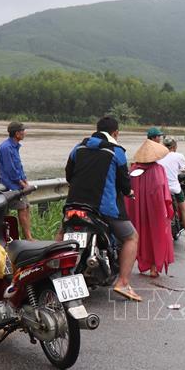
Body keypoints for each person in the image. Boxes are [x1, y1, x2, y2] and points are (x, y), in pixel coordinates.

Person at [65, 116, 142, 302]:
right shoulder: (117, 152)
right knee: (131, 237)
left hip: (74, 204)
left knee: (62, 234)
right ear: (115, 133)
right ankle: (123, 282)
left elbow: (69, 175)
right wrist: (129, 191)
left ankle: (51, 275)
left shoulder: (78, 148)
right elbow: (124, 183)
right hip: (103, 209)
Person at [125, 138, 174, 278]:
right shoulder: (158, 170)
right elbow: (163, 192)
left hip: (137, 211)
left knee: (139, 235)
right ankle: (153, 268)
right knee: (156, 237)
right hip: (155, 211)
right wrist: (166, 211)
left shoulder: (133, 170)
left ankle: (131, 265)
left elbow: (128, 191)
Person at [0, 122, 33, 240]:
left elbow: (18, 166)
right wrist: (22, 184)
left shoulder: (15, 146)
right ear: (17, 133)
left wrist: (25, 180)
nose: (24, 133)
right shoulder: (6, 147)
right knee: (22, 209)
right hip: (12, 185)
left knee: (26, 208)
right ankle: (27, 238)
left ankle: (27, 236)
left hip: (19, 184)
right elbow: (10, 169)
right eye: (22, 130)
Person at [158, 137, 185, 247]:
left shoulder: (158, 156)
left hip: (162, 190)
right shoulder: (179, 156)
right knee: (184, 211)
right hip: (175, 190)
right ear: (174, 147)